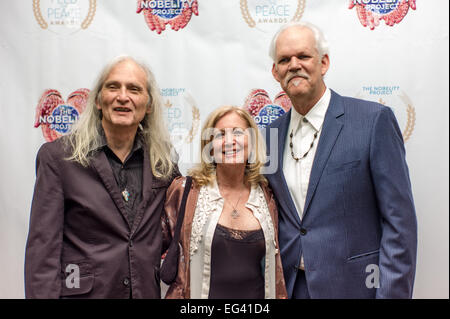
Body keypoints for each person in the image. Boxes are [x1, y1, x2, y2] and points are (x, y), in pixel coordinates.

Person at [264, 21, 417, 298]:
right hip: (289, 288)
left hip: (355, 289)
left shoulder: (372, 122)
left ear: (323, 63)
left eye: (303, 56)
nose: (294, 65)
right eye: (284, 60)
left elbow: (399, 223)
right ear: (276, 72)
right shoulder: (269, 136)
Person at [25, 55, 179, 298]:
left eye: (134, 89)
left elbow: (184, 221)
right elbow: (43, 251)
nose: (123, 96)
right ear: (98, 99)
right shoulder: (58, 158)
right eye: (113, 86)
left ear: (148, 105)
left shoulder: (163, 163)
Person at [162, 106, 287, 299]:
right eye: (219, 135)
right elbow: (148, 245)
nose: (230, 141)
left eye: (238, 132)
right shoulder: (185, 191)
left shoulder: (269, 194)